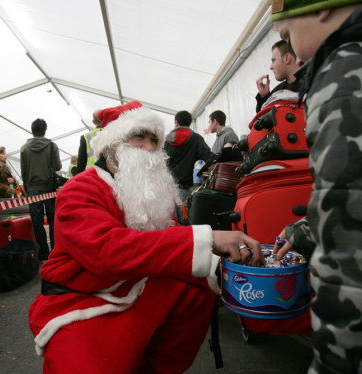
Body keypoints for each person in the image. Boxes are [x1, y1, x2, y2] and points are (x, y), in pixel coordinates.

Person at [28, 100, 264, 374]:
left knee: (199, 284)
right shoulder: (79, 188)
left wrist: (221, 256)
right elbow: (109, 251)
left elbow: (169, 237)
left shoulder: (149, 190)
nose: (150, 148)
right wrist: (209, 239)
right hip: (82, 298)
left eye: (155, 140)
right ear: (111, 145)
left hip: (132, 285)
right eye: (139, 136)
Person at [269, 1, 362, 373]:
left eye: (288, 37)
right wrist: (309, 230)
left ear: (322, 8)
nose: (296, 53)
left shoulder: (356, 70)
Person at [20, 118, 62, 261]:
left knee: (37, 223)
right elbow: (58, 166)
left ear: (32, 131)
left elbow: (23, 172)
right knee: (53, 220)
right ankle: (55, 251)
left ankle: (43, 253)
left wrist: (27, 188)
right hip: (49, 189)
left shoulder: (24, 148)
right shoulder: (52, 146)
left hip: (33, 190)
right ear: (45, 130)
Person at [164, 110, 214, 225]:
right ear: (190, 123)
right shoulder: (196, 139)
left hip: (170, 190)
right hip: (190, 189)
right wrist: (200, 172)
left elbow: (162, 163)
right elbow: (210, 157)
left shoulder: (167, 141)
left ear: (176, 123)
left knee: (173, 223)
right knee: (188, 223)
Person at [255, 40, 301, 112]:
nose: (271, 67)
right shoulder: (277, 93)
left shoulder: (312, 82)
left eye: (274, 60)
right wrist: (264, 96)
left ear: (287, 58)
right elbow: (262, 118)